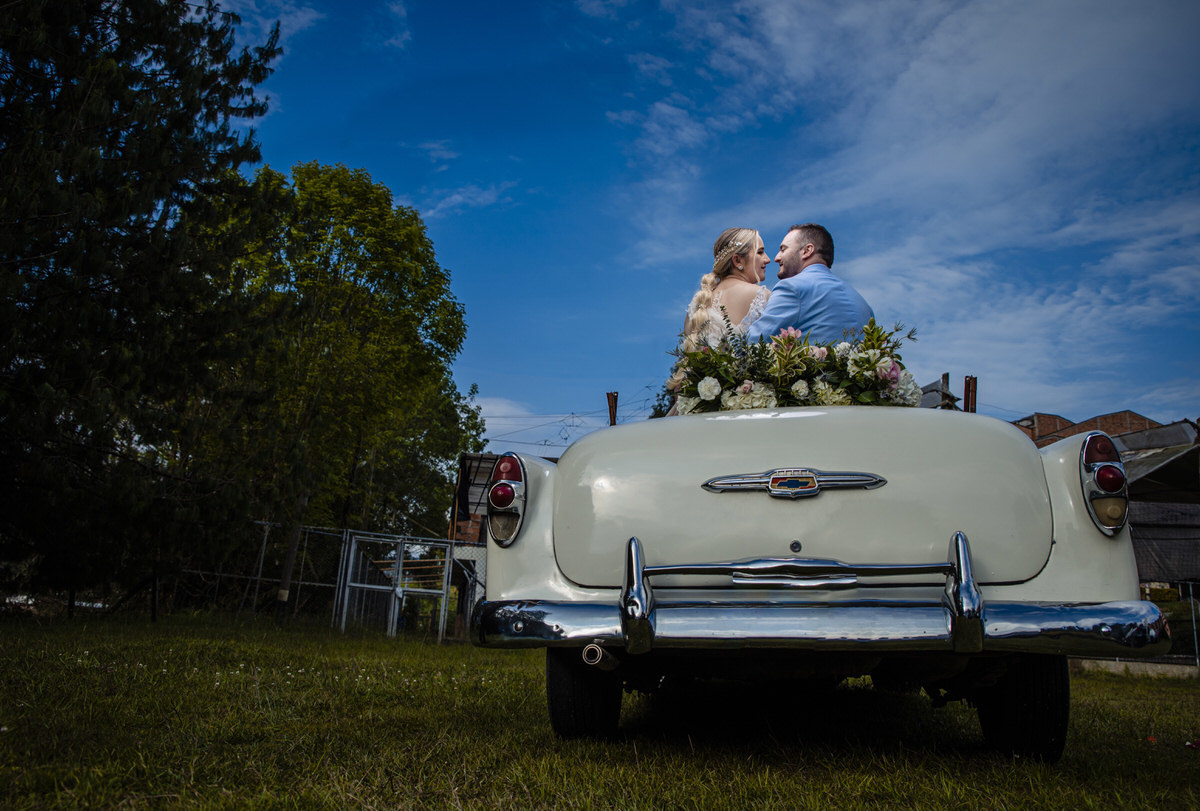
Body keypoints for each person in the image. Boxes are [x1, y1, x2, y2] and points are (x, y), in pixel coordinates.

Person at [666, 227, 770, 392]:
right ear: (738, 261)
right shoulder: (762, 296)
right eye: (760, 252)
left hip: (701, 404)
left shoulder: (697, 304)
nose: (768, 259)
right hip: (747, 401)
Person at [747, 224, 873, 345]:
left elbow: (753, 342)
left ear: (807, 251)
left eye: (783, 249)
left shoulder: (791, 288)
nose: (776, 258)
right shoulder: (863, 305)